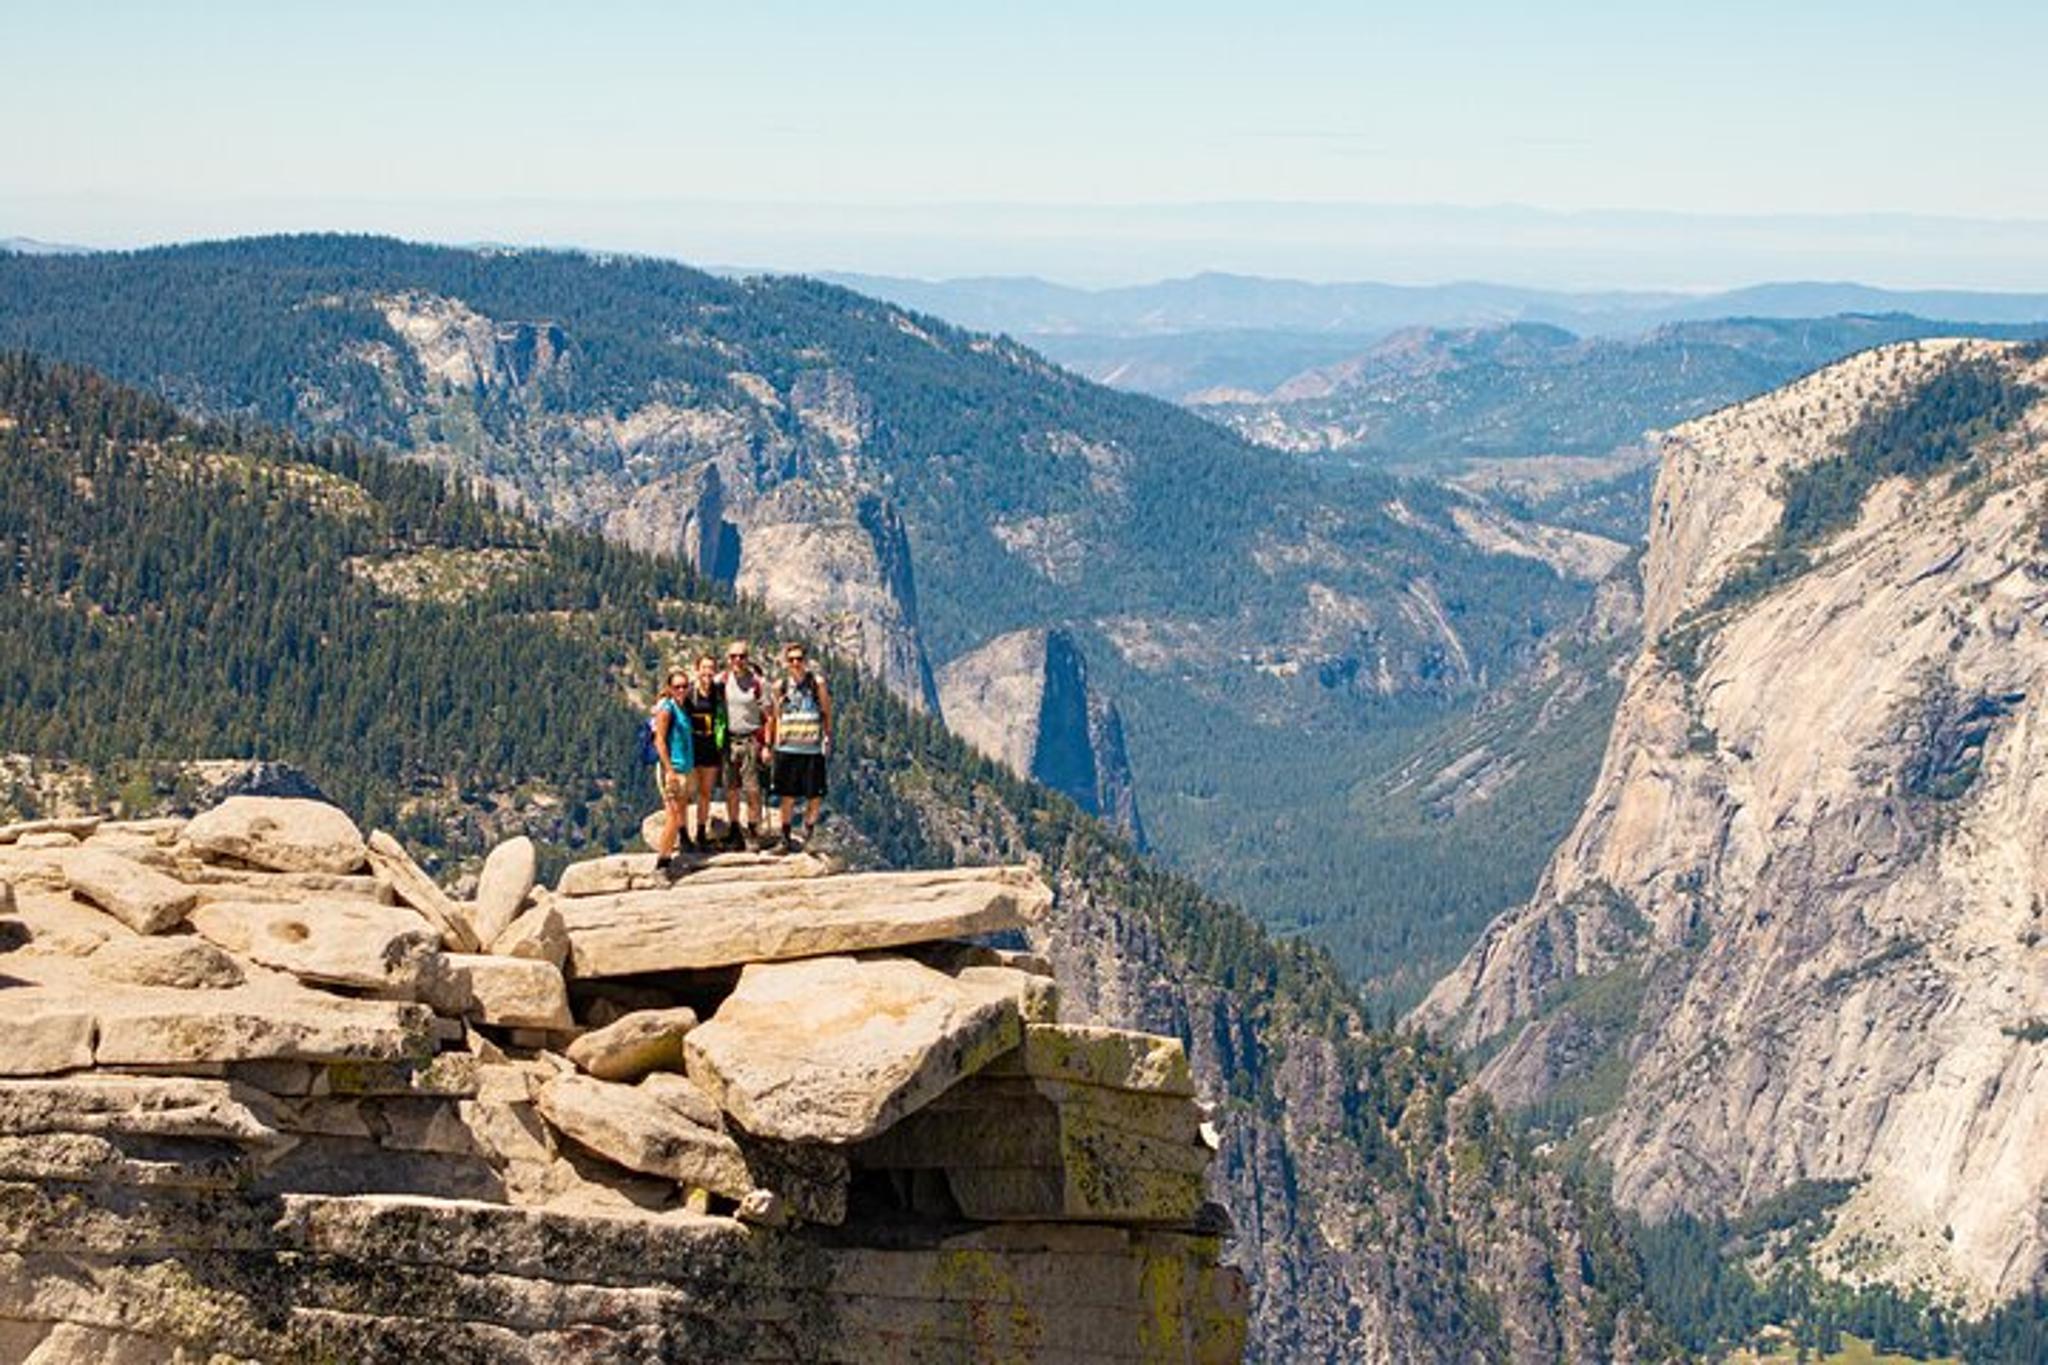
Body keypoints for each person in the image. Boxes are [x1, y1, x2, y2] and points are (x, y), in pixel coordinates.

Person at [766, 641, 832, 854]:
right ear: (786, 662)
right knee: (787, 795)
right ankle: (784, 839)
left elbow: (826, 711)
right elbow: (776, 716)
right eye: (791, 659)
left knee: (815, 796)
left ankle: (807, 834)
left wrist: (828, 737)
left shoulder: (817, 683)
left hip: (812, 748)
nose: (795, 663)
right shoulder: (780, 686)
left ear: (805, 661)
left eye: (799, 659)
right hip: (787, 748)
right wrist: (772, 744)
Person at [717, 639, 769, 850]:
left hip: (751, 741)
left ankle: (753, 831)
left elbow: (769, 716)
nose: (737, 660)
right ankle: (734, 830)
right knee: (731, 789)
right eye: (733, 656)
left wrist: (766, 745)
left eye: (742, 656)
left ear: (748, 658)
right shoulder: (720, 680)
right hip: (728, 741)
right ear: (728, 659)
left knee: (753, 790)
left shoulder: (758, 683)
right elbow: (695, 692)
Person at [681, 653, 727, 852]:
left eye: (711, 668)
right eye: (704, 667)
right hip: (691, 749)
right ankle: (683, 835)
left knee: (705, 793)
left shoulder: (719, 692)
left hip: (710, 748)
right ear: (697, 669)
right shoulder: (689, 693)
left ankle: (700, 833)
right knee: (685, 795)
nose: (707, 671)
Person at [649, 668, 693, 875]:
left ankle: (673, 854)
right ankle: (662, 865)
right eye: (677, 687)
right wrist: (670, 771)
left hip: (684, 768)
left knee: (679, 815)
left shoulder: (683, 707)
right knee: (673, 818)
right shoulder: (667, 709)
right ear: (669, 688)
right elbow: (659, 741)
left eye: (685, 686)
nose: (681, 690)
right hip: (672, 770)